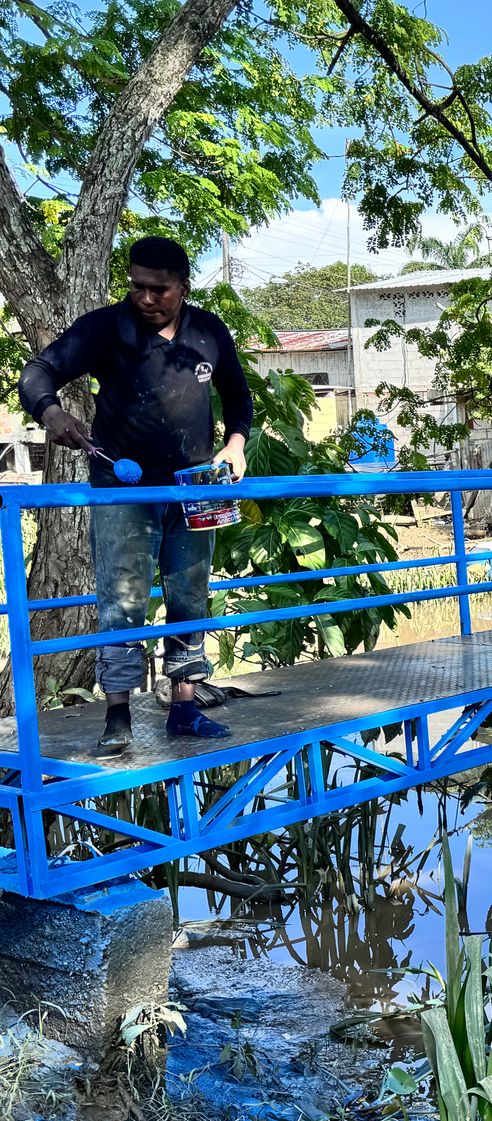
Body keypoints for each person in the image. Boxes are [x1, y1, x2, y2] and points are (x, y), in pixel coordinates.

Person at [19, 236, 252, 756]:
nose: (146, 298)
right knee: (122, 601)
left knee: (189, 597)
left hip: (195, 489)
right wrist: (51, 412)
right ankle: (118, 717)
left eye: (159, 289)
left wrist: (235, 445)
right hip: (121, 490)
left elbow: (238, 397)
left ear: (183, 287)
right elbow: (37, 373)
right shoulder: (105, 328)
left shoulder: (209, 332)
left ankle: (185, 710)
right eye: (137, 286)